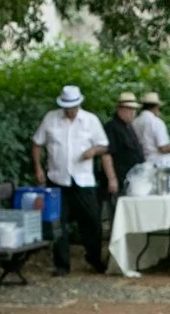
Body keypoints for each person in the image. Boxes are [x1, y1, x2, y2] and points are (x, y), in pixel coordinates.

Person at [30, 84, 115, 275]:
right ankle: (62, 264)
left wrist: (93, 150)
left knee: (92, 220)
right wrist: (37, 168)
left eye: (74, 107)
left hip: (83, 180)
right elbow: (37, 143)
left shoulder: (90, 120)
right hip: (57, 178)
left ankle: (94, 258)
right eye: (68, 108)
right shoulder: (51, 119)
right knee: (58, 223)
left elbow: (104, 145)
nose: (71, 111)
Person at [134, 91, 170, 170]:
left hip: (143, 163)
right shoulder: (157, 122)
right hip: (159, 166)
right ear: (156, 106)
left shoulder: (135, 122)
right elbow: (163, 148)